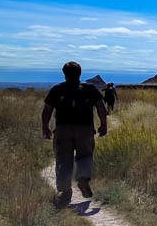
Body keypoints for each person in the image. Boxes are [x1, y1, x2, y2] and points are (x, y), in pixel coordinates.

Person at [41, 61, 108, 207]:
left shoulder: (57, 89)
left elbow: (47, 110)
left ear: (64, 73)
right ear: (80, 73)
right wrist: (103, 124)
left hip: (63, 129)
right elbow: (101, 107)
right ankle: (83, 178)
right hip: (85, 129)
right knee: (85, 155)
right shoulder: (90, 89)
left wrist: (45, 127)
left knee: (63, 160)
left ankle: (65, 191)